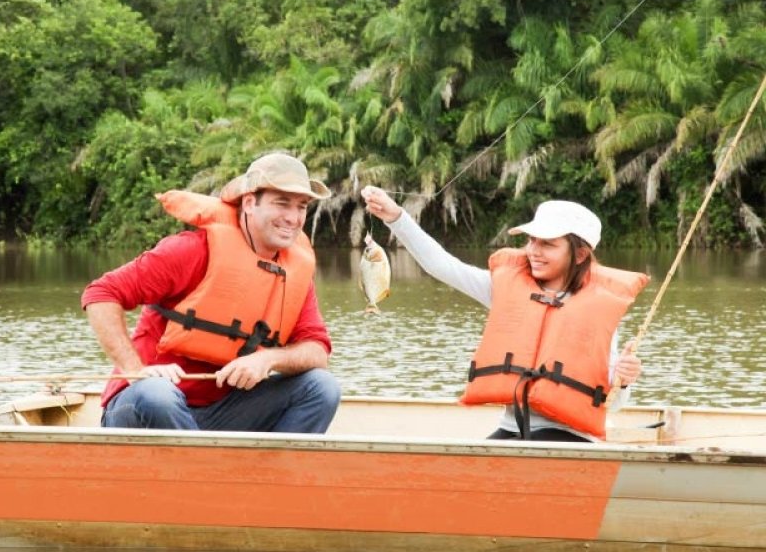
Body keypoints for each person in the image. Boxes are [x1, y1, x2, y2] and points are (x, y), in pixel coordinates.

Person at [361, 186, 648, 442]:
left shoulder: (596, 308)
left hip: (569, 436)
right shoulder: (505, 289)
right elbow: (442, 266)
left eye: (547, 244)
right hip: (512, 429)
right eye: (532, 240)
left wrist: (624, 380)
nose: (534, 251)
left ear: (581, 255)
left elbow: (615, 402)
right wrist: (395, 217)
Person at [82, 152, 341, 433]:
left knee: (322, 387)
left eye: (301, 207)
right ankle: (206, 472)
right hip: (146, 405)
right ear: (250, 203)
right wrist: (136, 370)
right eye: (282, 204)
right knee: (158, 394)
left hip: (221, 413)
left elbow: (317, 351)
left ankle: (265, 477)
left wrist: (268, 359)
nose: (293, 218)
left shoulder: (293, 273)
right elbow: (100, 294)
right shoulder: (190, 251)